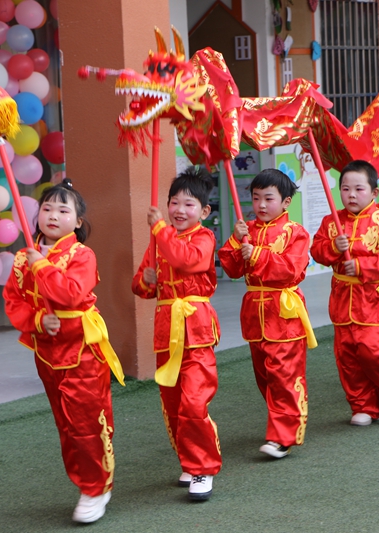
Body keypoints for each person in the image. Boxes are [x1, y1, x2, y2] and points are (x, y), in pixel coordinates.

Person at [3, 179, 125, 524]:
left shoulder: (81, 255)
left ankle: (96, 487)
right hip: (47, 352)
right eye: (46, 208)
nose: (53, 215)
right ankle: (85, 483)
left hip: (83, 352)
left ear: (78, 222)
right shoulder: (22, 258)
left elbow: (70, 295)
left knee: (86, 422)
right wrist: (38, 321)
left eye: (62, 210)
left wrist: (41, 265)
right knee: (66, 425)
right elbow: (14, 300)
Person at [131, 167, 222, 501]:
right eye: (174, 203)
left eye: (188, 204)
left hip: (196, 331)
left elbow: (188, 260)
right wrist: (148, 281)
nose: (179, 210)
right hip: (166, 333)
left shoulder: (204, 238)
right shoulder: (160, 238)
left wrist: (158, 228)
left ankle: (203, 468)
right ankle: (189, 460)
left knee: (194, 402)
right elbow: (139, 285)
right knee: (172, 404)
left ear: (204, 211)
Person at [311, 160, 379, 426]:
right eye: (345, 189)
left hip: (373, 300)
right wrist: (334, 248)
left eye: (358, 189)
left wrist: (360, 265)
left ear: (373, 193)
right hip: (342, 301)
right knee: (348, 357)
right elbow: (316, 251)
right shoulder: (331, 221)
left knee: (376, 353)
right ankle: (362, 405)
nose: (351, 195)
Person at [218, 169, 316, 459]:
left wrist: (257, 255)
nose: (260, 204)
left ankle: (283, 435)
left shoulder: (295, 232)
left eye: (268, 198)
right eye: (256, 197)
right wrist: (236, 243)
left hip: (283, 313)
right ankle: (281, 421)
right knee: (264, 376)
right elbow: (232, 269)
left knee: (284, 374)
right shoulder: (246, 229)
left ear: (285, 202)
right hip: (254, 314)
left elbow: (291, 269)